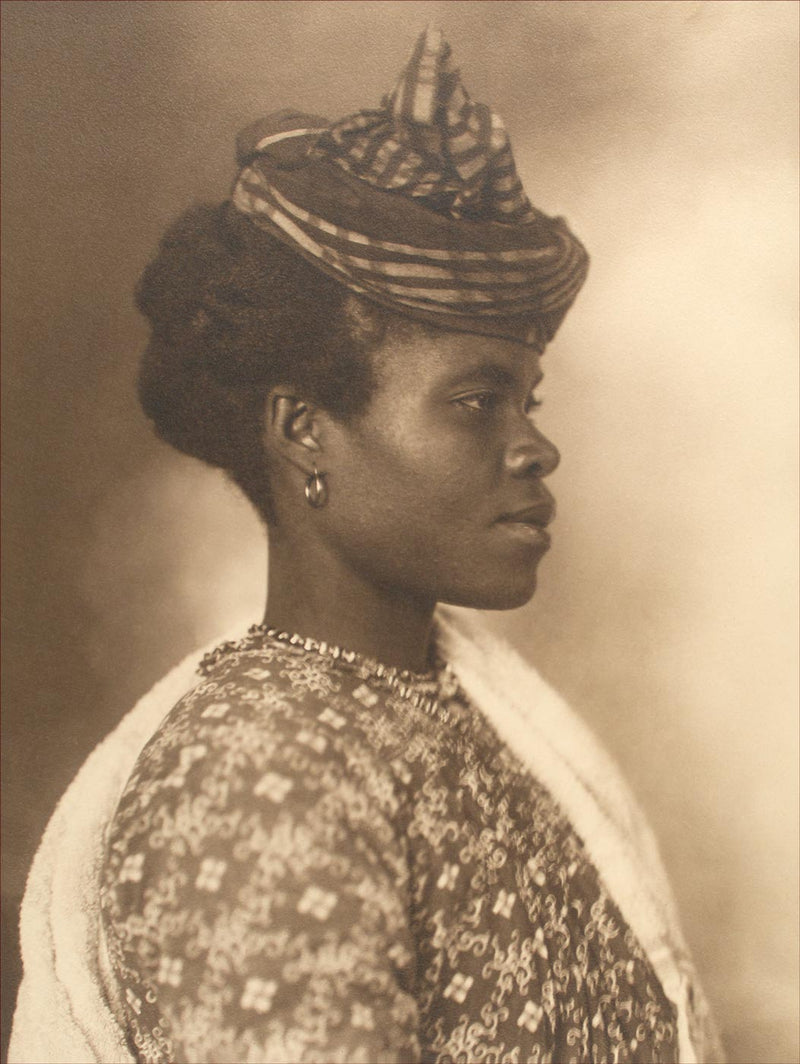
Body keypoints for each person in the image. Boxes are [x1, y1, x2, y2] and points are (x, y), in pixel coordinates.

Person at [10, 26, 722, 1064]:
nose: (534, 447)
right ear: (304, 428)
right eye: (476, 402)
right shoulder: (259, 774)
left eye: (527, 400)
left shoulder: (465, 717)